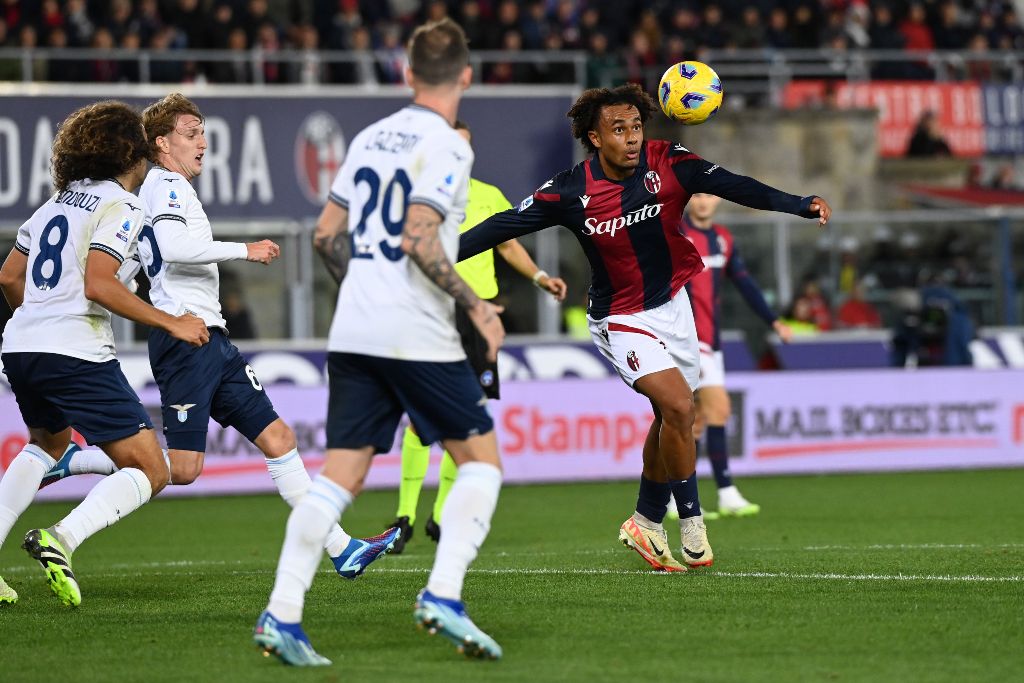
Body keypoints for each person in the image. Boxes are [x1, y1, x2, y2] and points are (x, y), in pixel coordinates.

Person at [459, 83, 831, 573]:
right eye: (619, 129)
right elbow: (502, 226)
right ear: (594, 138)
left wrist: (798, 203)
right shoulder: (570, 189)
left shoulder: (670, 162)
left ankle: (646, 520)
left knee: (671, 416)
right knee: (679, 406)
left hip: (673, 307)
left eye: (636, 126)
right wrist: (433, 256)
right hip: (619, 317)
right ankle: (692, 522)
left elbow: (735, 184)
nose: (632, 138)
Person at [40, 93, 399, 582]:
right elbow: (172, 246)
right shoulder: (166, 184)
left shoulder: (154, 190)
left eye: (203, 132)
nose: (203, 143)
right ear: (161, 143)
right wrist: (245, 250)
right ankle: (73, 480)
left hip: (212, 339)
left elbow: (140, 260)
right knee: (181, 470)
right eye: (191, 133)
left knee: (279, 438)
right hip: (186, 340)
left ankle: (341, 549)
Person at [255, 18, 506, 665]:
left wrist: (362, 287)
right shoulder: (448, 145)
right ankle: (443, 594)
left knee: (341, 474)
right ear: (467, 77)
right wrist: (477, 305)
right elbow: (421, 237)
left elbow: (323, 234)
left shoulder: (369, 137)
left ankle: (283, 613)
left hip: (355, 326)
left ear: (407, 71)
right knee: (481, 460)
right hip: (414, 330)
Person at [0, 101, 209, 608]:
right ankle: (61, 539)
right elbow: (98, 283)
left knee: (46, 445)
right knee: (152, 470)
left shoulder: (54, 204)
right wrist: (171, 321)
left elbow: (9, 277)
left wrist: (41, 320)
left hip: (21, 345)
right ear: (131, 154)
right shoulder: (122, 204)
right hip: (76, 351)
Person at [390, 118, 568, 554]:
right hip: (434, 311)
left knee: (470, 416)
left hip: (479, 315)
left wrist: (540, 276)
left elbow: (508, 244)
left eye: (465, 146)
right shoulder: (418, 199)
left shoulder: (488, 195)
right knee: (421, 416)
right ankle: (405, 516)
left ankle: (440, 515)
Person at [671, 193, 793, 520]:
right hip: (685, 341)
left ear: (718, 201)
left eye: (708, 195)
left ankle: (674, 497)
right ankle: (724, 491)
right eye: (695, 195)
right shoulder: (675, 234)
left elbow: (745, 283)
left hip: (712, 341)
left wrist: (773, 320)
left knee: (695, 422)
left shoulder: (723, 240)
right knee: (716, 410)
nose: (702, 202)